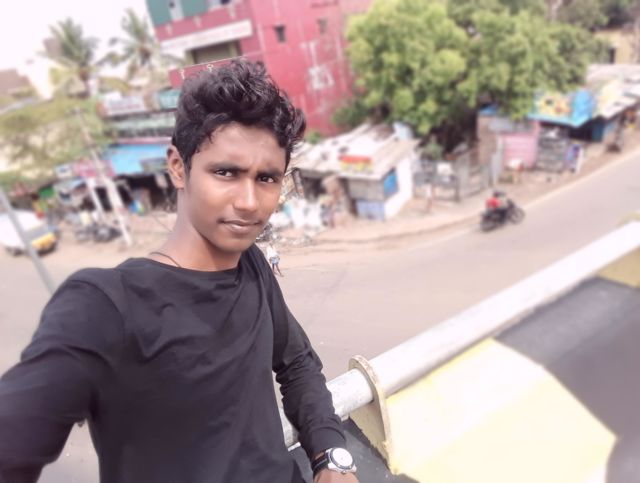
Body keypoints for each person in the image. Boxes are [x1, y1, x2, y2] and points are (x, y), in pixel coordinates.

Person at [0, 60, 358, 483]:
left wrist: (330, 455)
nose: (249, 202)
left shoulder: (252, 264)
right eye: (226, 172)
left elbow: (297, 363)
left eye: (266, 179)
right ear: (177, 166)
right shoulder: (106, 305)